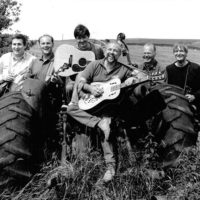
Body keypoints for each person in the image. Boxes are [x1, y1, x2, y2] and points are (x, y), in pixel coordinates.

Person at [67, 42, 166, 183]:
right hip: (91, 101)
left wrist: (134, 78)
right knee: (71, 108)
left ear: (119, 54)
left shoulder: (123, 69)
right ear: (105, 51)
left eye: (115, 51)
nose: (112, 53)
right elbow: (81, 81)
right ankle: (98, 122)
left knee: (106, 128)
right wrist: (90, 88)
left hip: (109, 107)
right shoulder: (94, 65)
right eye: (110, 49)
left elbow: (141, 75)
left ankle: (110, 168)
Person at [65, 24, 104, 103]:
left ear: (88, 37)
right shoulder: (72, 51)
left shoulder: (97, 49)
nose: (82, 40)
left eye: (84, 37)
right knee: (69, 87)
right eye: (79, 38)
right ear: (75, 38)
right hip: (77, 79)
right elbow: (70, 73)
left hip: (94, 78)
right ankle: (72, 106)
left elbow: (103, 65)